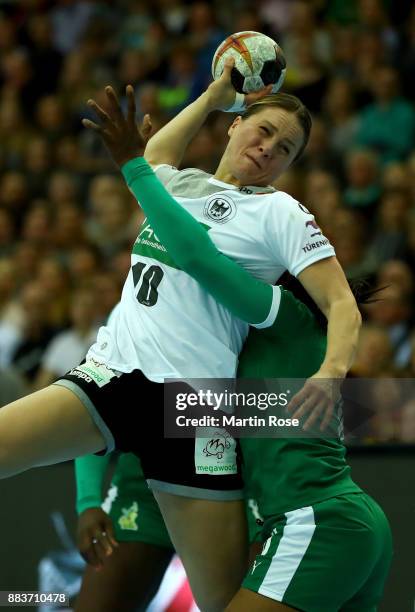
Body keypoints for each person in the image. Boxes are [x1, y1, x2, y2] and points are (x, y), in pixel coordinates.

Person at [0, 62, 361, 610]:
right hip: (112, 376)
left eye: (285, 149)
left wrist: (332, 370)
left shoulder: (279, 212)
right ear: (234, 126)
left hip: (196, 411)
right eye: (263, 131)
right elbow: (154, 159)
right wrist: (216, 94)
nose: (269, 148)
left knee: (223, 601)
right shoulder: (175, 183)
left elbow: (341, 303)